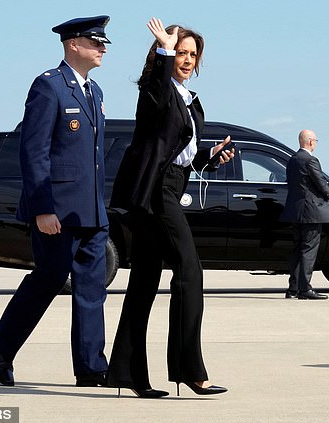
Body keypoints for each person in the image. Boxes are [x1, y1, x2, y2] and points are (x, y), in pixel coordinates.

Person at [108, 17, 233, 398]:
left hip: (172, 183)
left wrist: (209, 158)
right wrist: (163, 49)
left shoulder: (190, 99)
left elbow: (179, 155)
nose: (187, 59)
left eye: (193, 54)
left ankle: (128, 374)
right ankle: (190, 370)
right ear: (167, 55)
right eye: (181, 53)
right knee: (190, 270)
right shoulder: (155, 88)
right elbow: (157, 96)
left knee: (145, 277)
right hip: (153, 193)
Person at [0, 16, 112, 387]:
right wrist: (42, 207)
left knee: (92, 290)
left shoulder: (96, 92)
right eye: (95, 41)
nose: (102, 48)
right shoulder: (49, 87)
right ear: (73, 44)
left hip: (90, 209)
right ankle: (2, 349)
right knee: (48, 279)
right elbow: (34, 151)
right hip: (56, 210)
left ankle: (91, 367)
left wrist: (99, 207)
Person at [280, 130, 329, 300]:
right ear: (311, 142)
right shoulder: (310, 160)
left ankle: (293, 289)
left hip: (296, 211)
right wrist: (328, 194)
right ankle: (305, 289)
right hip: (311, 212)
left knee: (297, 249)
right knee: (308, 250)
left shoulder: (292, 160)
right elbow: (320, 182)